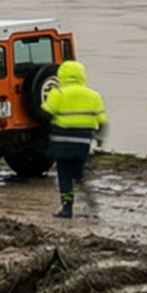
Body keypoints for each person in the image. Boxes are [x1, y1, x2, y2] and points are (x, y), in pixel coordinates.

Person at [40, 59, 107, 218]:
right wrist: (100, 138)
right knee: (78, 172)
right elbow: (102, 121)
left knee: (64, 174)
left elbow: (45, 113)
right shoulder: (94, 95)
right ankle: (89, 197)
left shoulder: (58, 93)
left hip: (62, 141)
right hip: (83, 142)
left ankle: (67, 208)